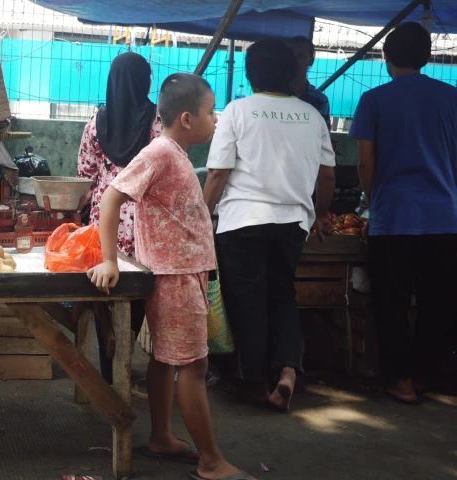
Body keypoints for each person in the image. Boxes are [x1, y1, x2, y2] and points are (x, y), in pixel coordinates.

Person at [88, 73, 254, 480]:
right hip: (174, 277)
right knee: (194, 368)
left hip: (184, 273)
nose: (215, 119)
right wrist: (110, 259)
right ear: (185, 118)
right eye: (211, 111)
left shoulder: (174, 151)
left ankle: (161, 436)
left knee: (165, 361)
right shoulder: (160, 152)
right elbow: (112, 196)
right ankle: (211, 461)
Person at [203, 39, 336, 412]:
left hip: (242, 221)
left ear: (250, 73)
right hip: (293, 222)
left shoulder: (237, 111)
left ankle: (250, 379)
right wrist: (321, 213)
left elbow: (217, 174)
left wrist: (199, 215)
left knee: (247, 299)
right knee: (282, 294)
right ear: (292, 72)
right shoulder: (312, 116)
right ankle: (288, 369)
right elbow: (328, 176)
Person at [349, 22, 457, 405]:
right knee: (437, 301)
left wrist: (373, 202)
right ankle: (426, 374)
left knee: (392, 300)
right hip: (445, 217)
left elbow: (365, 162)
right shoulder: (451, 97)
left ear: (386, 56)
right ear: (427, 58)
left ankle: (400, 379)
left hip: (393, 215)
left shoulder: (374, 100)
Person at [77, 52, 162, 385]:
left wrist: (84, 209)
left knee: (104, 290)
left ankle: (108, 368)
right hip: (143, 221)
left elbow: (85, 173)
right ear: (146, 81)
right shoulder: (158, 121)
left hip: (105, 220)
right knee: (137, 291)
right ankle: (124, 356)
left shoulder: (97, 122)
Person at [288, 36, 331, 129]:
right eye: (291, 56)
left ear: (311, 60)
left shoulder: (320, 101)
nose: (295, 61)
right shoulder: (274, 93)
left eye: (300, 56)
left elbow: (323, 137)